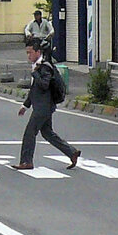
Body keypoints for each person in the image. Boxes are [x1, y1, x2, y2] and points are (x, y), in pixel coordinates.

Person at [12, 38, 81, 171]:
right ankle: (72, 152)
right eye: (27, 52)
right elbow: (34, 90)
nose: (28, 55)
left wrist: (36, 73)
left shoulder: (44, 67)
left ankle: (26, 162)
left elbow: (44, 85)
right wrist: (25, 106)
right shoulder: (38, 66)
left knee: (29, 133)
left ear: (38, 52)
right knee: (47, 133)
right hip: (42, 106)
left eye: (30, 52)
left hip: (43, 107)